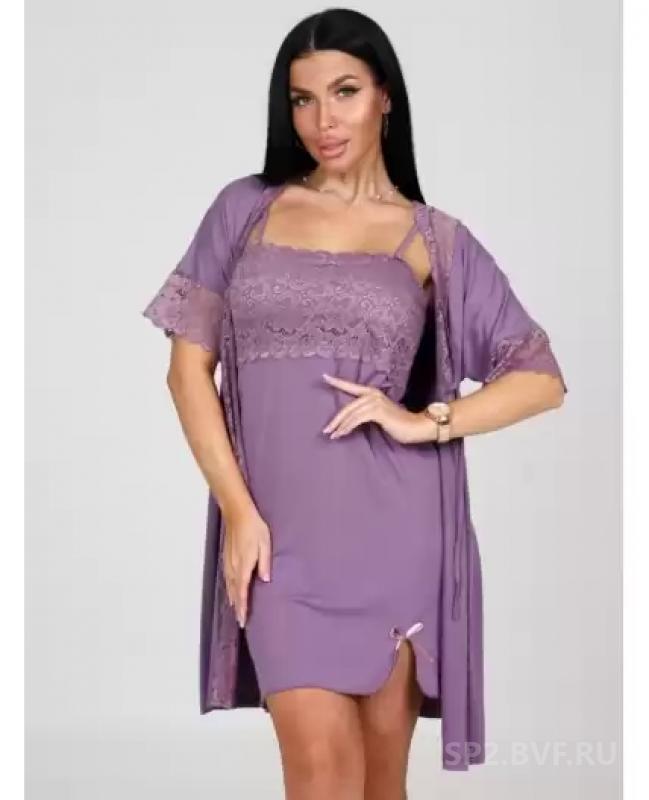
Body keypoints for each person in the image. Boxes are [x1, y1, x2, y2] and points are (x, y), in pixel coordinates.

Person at [142, 8, 567, 797]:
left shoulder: (432, 239)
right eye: (302, 100)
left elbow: (539, 378)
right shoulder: (245, 210)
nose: (322, 120)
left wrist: (424, 420)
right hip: (278, 538)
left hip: (395, 541)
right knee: (319, 776)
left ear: (384, 98)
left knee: (378, 785)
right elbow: (186, 372)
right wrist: (239, 512)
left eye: (344, 92)